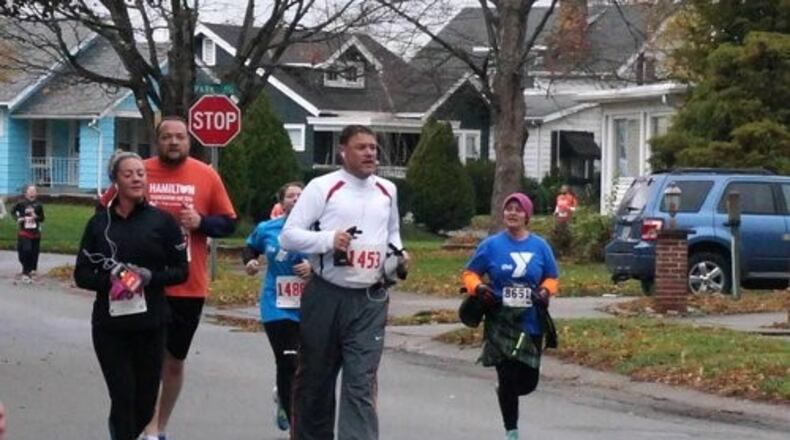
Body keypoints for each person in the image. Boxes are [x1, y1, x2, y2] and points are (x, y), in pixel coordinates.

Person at [280, 124, 409, 440]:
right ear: (343, 151)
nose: (370, 153)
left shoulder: (387, 190)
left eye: (373, 148)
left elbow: (392, 232)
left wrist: (400, 255)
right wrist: (328, 240)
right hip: (326, 294)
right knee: (316, 382)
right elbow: (289, 235)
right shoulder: (323, 187)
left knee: (361, 381)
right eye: (362, 147)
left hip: (370, 298)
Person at [134, 116, 237, 440]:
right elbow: (107, 212)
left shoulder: (206, 175)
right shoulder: (139, 172)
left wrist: (201, 222)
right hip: (142, 285)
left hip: (188, 286)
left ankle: (159, 426)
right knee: (144, 359)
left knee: (173, 361)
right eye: (167, 137)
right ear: (158, 141)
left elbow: (229, 223)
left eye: (180, 137)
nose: (174, 142)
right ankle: (142, 423)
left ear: (189, 142)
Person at [74, 151, 188, 440]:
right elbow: (82, 274)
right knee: (122, 396)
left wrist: (149, 278)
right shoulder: (99, 224)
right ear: (115, 181)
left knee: (144, 401)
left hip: (151, 324)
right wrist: (111, 280)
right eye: (129, 174)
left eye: (141, 173)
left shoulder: (162, 222)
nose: (137, 178)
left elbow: (181, 271)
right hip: (110, 327)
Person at [460, 192, 559, 440]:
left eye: (518, 209)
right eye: (508, 209)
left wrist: (546, 291)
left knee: (527, 381)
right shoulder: (491, 246)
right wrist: (479, 288)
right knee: (507, 377)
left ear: (527, 216)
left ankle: (508, 391)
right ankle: (511, 431)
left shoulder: (540, 246)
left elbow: (552, 277)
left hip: (531, 320)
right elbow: (470, 273)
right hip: (500, 317)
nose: (512, 213)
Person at [242, 182, 310, 434]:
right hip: (276, 304)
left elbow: (332, 256)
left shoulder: (318, 228)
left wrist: (312, 270)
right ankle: (295, 423)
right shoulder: (267, 229)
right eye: (290, 196)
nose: (295, 199)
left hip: (309, 305)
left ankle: (284, 396)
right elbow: (250, 247)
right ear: (281, 203)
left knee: (306, 364)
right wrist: (250, 261)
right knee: (288, 361)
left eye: (300, 196)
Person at [13, 184, 45, 283]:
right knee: (26, 251)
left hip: (35, 232)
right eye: (30, 190)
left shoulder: (39, 205)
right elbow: (13, 212)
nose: (32, 192)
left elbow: (42, 218)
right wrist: (18, 219)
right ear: (26, 192)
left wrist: (36, 217)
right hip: (24, 232)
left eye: (34, 190)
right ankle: (25, 271)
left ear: (36, 193)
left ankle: (31, 271)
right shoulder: (21, 203)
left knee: (34, 253)